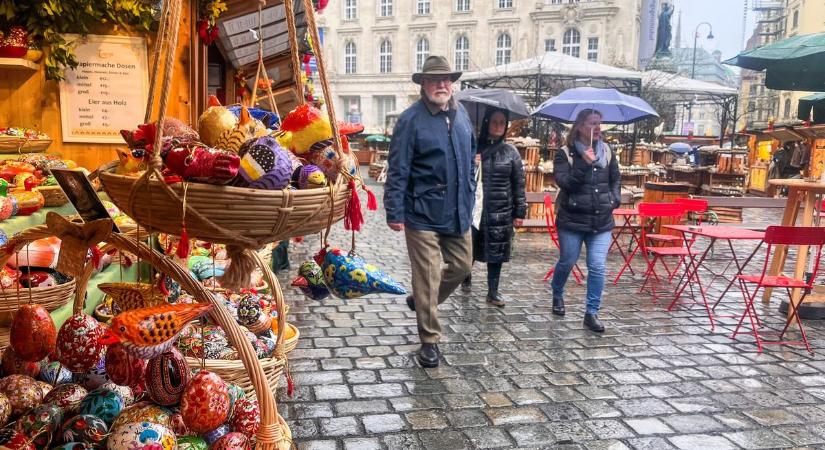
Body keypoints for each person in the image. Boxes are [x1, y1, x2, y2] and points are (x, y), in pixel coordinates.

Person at [384, 55, 476, 368]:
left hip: (457, 210)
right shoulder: (411, 120)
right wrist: (394, 210)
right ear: (423, 84)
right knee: (427, 273)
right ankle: (430, 340)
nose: (442, 84)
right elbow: (398, 168)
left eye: (447, 79)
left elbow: (470, 158)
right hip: (421, 211)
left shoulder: (461, 114)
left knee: (463, 266)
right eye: (436, 80)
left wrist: (470, 195)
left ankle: (423, 302)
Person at [550, 108, 620, 332]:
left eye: (600, 123)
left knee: (597, 267)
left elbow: (615, 179)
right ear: (580, 126)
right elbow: (565, 183)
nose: (598, 127)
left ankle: (592, 312)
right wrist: (584, 163)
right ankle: (558, 293)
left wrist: (614, 199)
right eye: (593, 123)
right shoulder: (565, 153)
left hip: (601, 220)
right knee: (567, 261)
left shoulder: (607, 151)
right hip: (572, 219)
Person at [465, 107, 526, 307]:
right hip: (475, 210)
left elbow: (519, 184)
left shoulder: (511, 152)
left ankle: (493, 291)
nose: (499, 126)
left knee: (497, 251)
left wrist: (520, 212)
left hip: (501, 211)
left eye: (502, 122)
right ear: (487, 123)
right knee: (469, 246)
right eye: (495, 122)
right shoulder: (474, 148)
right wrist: (471, 165)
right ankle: (465, 274)